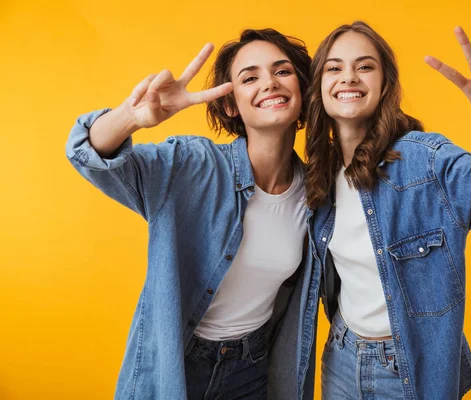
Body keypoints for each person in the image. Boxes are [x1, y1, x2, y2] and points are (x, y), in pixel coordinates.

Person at [302, 21, 471, 400]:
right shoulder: (319, 174)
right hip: (342, 355)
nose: (349, 77)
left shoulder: (424, 160)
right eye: (334, 67)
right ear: (319, 86)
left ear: (385, 84)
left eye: (365, 66)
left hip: (410, 366)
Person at [66, 28, 315, 399]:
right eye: (249, 77)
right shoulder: (192, 165)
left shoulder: (317, 193)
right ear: (230, 104)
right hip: (176, 368)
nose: (269, 84)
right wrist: (130, 118)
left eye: (282, 72)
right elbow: (87, 154)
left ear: (302, 89)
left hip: (253, 370)